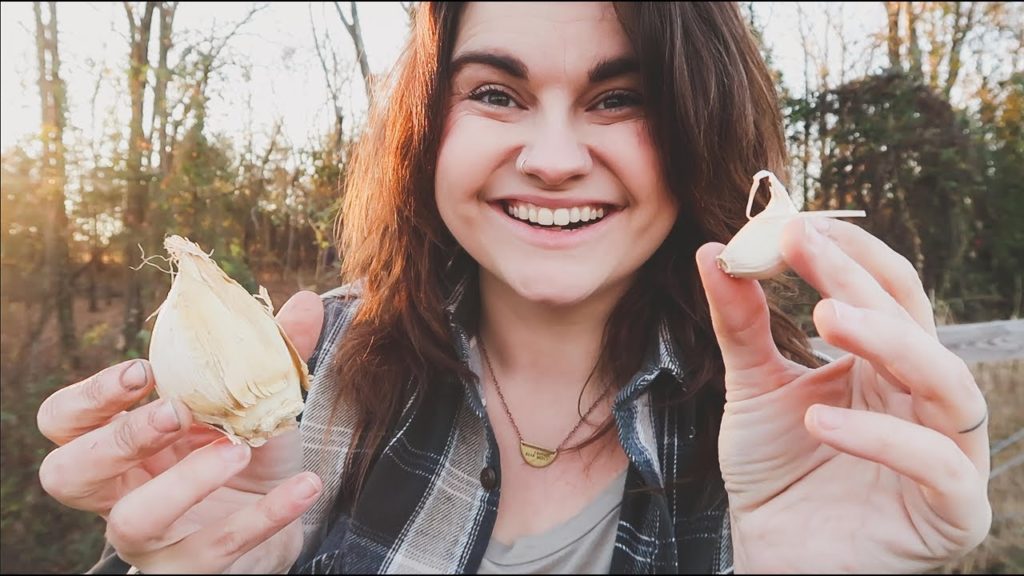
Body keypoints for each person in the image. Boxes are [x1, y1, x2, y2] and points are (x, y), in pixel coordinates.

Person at [36, 2, 992, 574]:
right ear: (428, 130)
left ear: (700, 127)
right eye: (495, 93)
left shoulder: (816, 434)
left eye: (622, 98)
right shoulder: (288, 393)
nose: (552, 158)